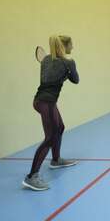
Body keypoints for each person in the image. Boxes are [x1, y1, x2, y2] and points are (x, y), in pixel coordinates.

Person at [22, 35, 80, 191]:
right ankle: (32, 176)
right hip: (46, 103)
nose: (72, 48)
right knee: (50, 137)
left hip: (41, 101)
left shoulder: (46, 59)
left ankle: (56, 160)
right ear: (65, 47)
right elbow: (76, 80)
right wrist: (69, 70)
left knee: (60, 128)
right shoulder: (68, 62)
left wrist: (64, 73)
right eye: (71, 45)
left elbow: (50, 77)